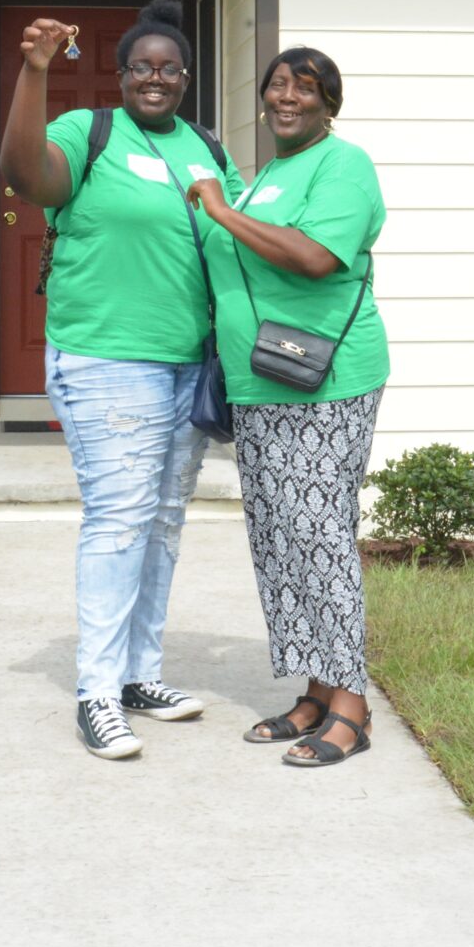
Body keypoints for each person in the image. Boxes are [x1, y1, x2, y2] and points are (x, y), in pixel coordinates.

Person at [0, 0, 242, 763]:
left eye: (169, 69)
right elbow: (23, 174)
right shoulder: (88, 131)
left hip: (188, 364)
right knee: (119, 519)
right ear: (122, 74)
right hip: (107, 359)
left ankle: (140, 675)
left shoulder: (208, 149)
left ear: (187, 77)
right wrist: (34, 71)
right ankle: (96, 694)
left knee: (165, 518)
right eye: (142, 67)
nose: (156, 78)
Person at [187, 45, 390, 769]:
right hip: (261, 382)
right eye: (277, 85)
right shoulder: (268, 174)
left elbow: (312, 257)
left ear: (330, 103)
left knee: (319, 536)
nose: (287, 98)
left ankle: (354, 707)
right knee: (279, 541)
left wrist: (216, 207)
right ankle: (315, 691)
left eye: (305, 89)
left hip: (326, 381)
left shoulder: (345, 165)